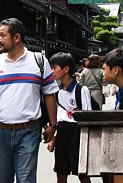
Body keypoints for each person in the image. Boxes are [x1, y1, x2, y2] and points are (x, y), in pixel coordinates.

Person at [0, 17, 59, 183]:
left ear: (16, 37)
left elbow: (50, 94)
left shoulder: (39, 62)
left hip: (29, 131)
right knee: (1, 179)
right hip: (0, 132)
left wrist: (53, 125)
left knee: (26, 179)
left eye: (2, 35)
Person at [47, 52, 92, 183]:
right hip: (62, 131)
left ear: (66, 69)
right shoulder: (57, 91)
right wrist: (54, 138)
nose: (52, 71)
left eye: (54, 68)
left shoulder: (81, 90)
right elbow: (58, 116)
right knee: (60, 171)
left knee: (82, 172)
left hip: (77, 131)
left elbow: (87, 115)